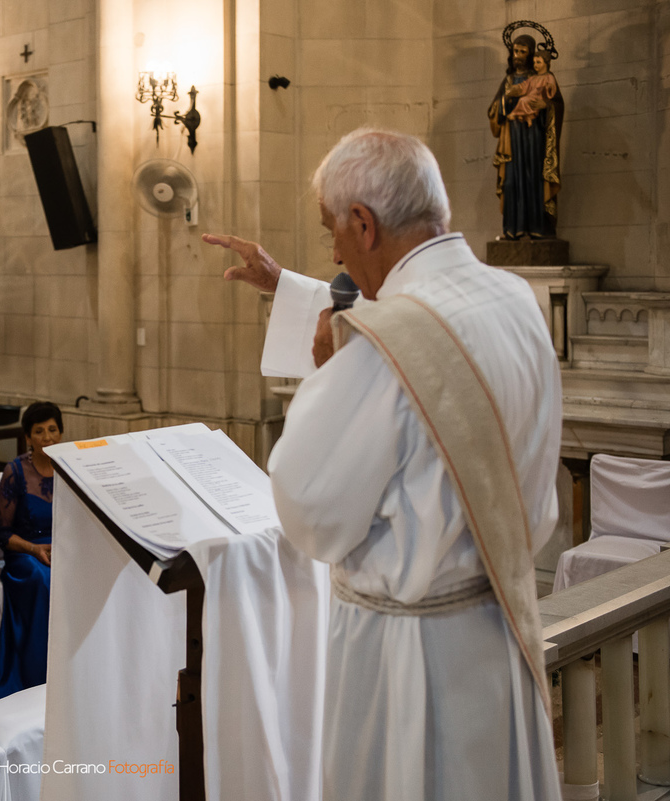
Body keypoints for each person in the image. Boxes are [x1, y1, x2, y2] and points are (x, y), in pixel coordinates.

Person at [203, 128, 561, 800]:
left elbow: (310, 511)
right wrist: (287, 286)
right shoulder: (515, 296)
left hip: (410, 659)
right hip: (499, 626)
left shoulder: (375, 349)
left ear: (363, 224)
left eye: (332, 232)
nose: (335, 253)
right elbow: (421, 326)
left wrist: (327, 373)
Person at [0, 401, 62, 700]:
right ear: (28, 437)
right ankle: (38, 677)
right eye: (39, 431)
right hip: (26, 553)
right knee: (44, 580)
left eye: (53, 429)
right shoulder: (15, 471)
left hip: (62, 549)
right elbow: (1, 533)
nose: (47, 437)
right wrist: (33, 548)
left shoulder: (70, 467)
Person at [488, 34, 563, 240]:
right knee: (511, 182)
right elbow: (495, 109)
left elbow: (557, 104)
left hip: (534, 138)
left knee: (534, 179)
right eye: (515, 51)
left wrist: (546, 106)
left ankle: (538, 228)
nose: (518, 56)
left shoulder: (541, 77)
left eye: (523, 52)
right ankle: (513, 229)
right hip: (512, 138)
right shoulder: (509, 80)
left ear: (531, 55)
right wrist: (505, 101)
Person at [506, 49, 558, 127]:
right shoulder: (533, 78)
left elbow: (553, 92)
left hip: (538, 98)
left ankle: (516, 114)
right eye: (534, 63)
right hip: (531, 97)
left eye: (538, 62)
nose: (535, 65)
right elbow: (524, 86)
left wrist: (546, 102)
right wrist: (515, 88)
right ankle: (526, 117)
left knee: (523, 100)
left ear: (546, 63)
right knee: (522, 100)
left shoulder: (549, 76)